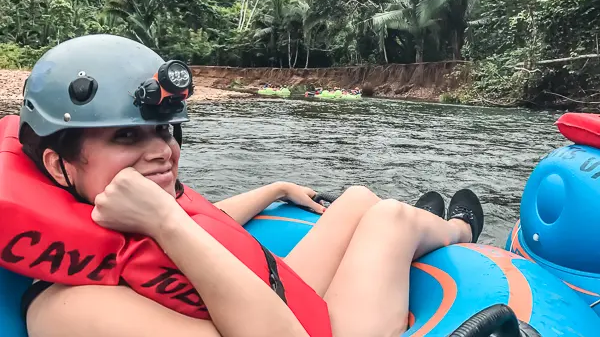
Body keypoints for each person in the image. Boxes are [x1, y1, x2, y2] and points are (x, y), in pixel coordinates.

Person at [15, 34, 484, 337]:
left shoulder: (108, 207)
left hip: (278, 294)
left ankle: (436, 226)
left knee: (359, 197)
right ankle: (459, 231)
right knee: (391, 218)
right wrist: (164, 219)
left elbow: (205, 221)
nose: (161, 151)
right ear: (60, 165)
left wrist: (274, 189)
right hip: (311, 329)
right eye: (125, 136)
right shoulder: (69, 309)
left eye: (163, 130)